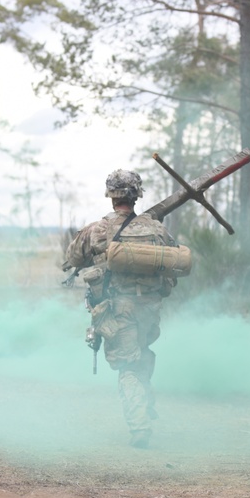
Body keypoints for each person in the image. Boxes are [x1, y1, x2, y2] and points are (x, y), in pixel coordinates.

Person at [64, 169, 178, 449]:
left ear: (111, 196)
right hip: (150, 309)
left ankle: (139, 427)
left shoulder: (97, 230)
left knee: (127, 365)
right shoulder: (157, 229)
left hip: (118, 309)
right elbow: (173, 265)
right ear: (137, 195)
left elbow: (71, 259)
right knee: (141, 353)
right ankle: (145, 400)